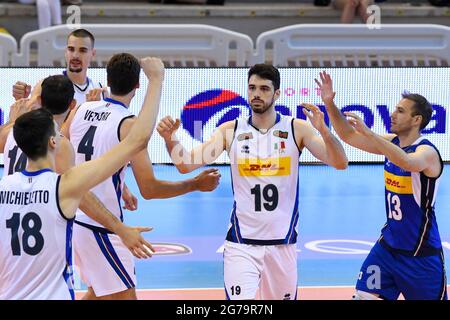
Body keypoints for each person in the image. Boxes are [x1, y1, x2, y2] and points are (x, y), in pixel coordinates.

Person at [157, 64, 348, 300]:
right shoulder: (231, 130)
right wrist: (170, 139)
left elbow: (340, 162)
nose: (257, 94)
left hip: (283, 245)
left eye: (264, 89)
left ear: (276, 94)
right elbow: (185, 164)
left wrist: (325, 132)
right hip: (241, 244)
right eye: (252, 88)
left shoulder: (297, 128)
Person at [0, 57, 163, 300]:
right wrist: (157, 80)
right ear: (54, 142)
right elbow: (136, 140)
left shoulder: (4, 186)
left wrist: (17, 114)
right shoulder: (64, 187)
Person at [65, 52, 221, 300]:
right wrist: (194, 184)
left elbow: (70, 157)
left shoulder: (83, 109)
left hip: (73, 218)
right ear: (138, 85)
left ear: (108, 80)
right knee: (126, 297)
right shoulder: (129, 125)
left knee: (99, 293)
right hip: (101, 225)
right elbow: (149, 188)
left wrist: (121, 186)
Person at [315, 71, 447, 300]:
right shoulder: (391, 143)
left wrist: (368, 132)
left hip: (421, 256)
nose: (393, 114)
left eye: (401, 111)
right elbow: (347, 135)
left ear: (417, 120)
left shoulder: (428, 152)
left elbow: (406, 161)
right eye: (395, 108)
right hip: (387, 249)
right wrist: (329, 103)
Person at [12, 28, 138, 213]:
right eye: (71, 49)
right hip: (55, 181)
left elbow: (103, 146)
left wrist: (122, 187)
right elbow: (30, 131)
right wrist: (20, 98)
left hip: (85, 182)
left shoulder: (100, 89)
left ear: (92, 54)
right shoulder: (48, 86)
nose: (75, 55)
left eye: (82, 50)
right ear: (65, 52)